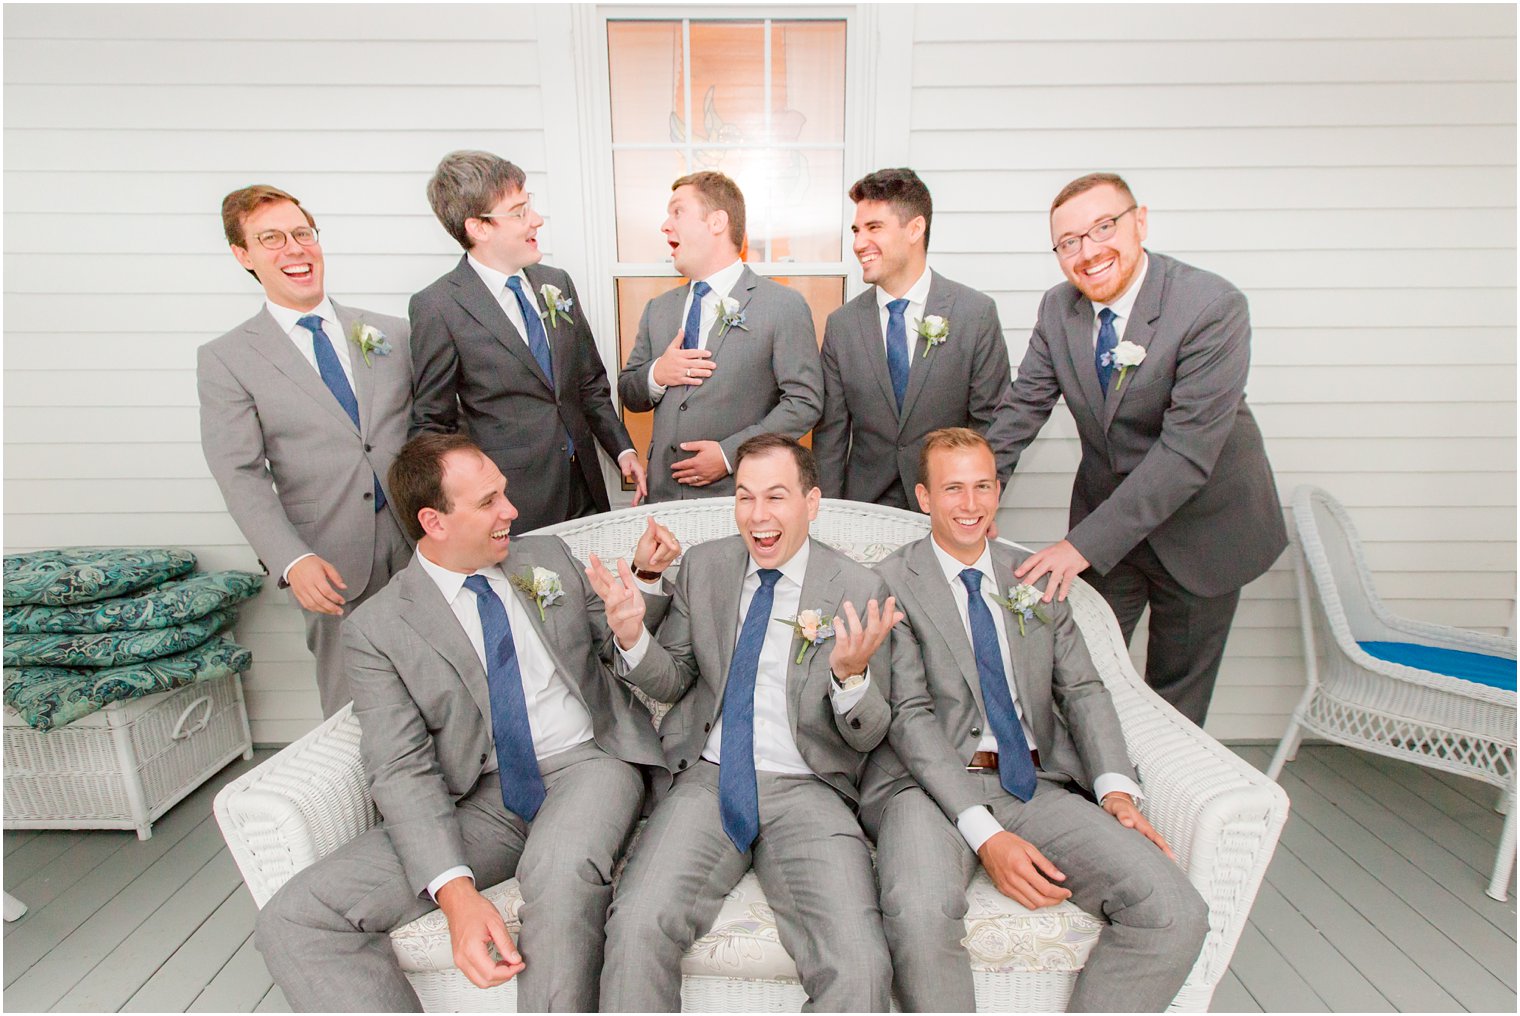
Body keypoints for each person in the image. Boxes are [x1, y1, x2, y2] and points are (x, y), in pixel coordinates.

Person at [254, 433, 680, 1012]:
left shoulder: (546, 558)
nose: (511, 511)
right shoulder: (378, 629)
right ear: (434, 521)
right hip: (482, 800)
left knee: (557, 876)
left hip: (590, 763)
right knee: (297, 916)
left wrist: (643, 582)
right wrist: (456, 896)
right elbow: (400, 767)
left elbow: (611, 638)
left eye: (503, 493)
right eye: (488, 502)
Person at [862, 427, 1209, 1012]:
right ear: (924, 498)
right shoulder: (888, 583)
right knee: (916, 913)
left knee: (1175, 911)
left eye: (982, 486)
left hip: (1036, 781)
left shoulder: (1035, 579)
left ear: (998, 491)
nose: (969, 505)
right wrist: (988, 836)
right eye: (952, 489)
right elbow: (909, 717)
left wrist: (1117, 791)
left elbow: (1083, 690)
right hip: (926, 787)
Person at [589, 434, 899, 1010]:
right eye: (744, 497)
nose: (758, 517)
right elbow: (674, 678)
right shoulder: (706, 566)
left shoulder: (858, 588)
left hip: (809, 788)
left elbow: (872, 731)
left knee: (859, 963)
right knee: (635, 925)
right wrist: (632, 636)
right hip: (708, 777)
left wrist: (851, 677)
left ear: (811, 502)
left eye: (776, 497)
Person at [1005, 172, 1287, 725]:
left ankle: (1164, 807)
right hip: (1115, 525)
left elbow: (1186, 454)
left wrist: (1078, 545)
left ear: (1140, 221)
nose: (1087, 252)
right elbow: (1022, 409)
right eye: (1068, 242)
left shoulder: (1211, 305)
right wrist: (973, 493)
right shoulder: (1058, 310)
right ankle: (1094, 794)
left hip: (1206, 528)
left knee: (1172, 702)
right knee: (1080, 673)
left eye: (1102, 227)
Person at [197, 184, 413, 717]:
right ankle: (360, 802)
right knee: (353, 705)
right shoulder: (227, 359)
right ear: (242, 255)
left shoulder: (394, 333)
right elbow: (239, 474)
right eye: (270, 238)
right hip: (330, 559)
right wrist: (292, 560)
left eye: (302, 233)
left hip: (421, 542)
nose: (294, 249)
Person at [410, 150, 646, 534]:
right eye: (518, 212)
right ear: (479, 227)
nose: (535, 220)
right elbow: (432, 423)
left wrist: (623, 449)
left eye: (529, 205)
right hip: (515, 503)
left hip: (586, 487)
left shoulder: (556, 283)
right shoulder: (438, 307)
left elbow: (588, 384)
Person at [814, 167, 1017, 508]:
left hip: (948, 507)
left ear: (915, 229)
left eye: (874, 228)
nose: (859, 243)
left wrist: (980, 502)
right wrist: (831, 519)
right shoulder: (842, 325)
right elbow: (831, 438)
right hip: (865, 509)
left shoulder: (975, 314)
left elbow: (991, 426)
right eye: (856, 231)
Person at [617, 172, 823, 501]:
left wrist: (731, 455)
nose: (665, 226)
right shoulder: (658, 309)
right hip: (662, 500)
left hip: (739, 498)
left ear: (716, 222)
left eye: (677, 212)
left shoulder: (782, 305)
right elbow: (629, 391)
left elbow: (804, 402)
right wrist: (658, 373)